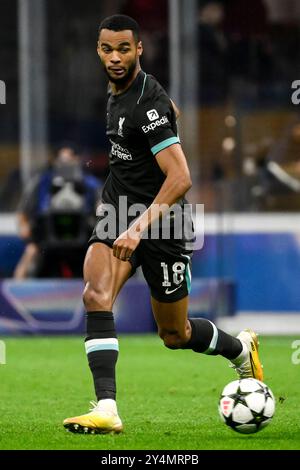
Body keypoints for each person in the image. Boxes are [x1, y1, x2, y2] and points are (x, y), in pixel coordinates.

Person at [63, 15, 263, 434]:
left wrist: (139, 229)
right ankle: (107, 408)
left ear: (139, 50)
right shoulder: (119, 90)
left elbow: (181, 178)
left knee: (174, 333)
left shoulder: (146, 102)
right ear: (98, 50)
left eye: (123, 49)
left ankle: (240, 348)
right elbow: (166, 115)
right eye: (106, 49)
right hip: (117, 213)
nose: (114, 57)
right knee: (96, 295)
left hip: (164, 224)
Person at [14, 143, 101, 279]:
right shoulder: (41, 181)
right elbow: (23, 211)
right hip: (47, 238)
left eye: (69, 159)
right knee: (30, 253)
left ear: (77, 159)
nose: (65, 164)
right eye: (61, 160)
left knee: (100, 256)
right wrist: (26, 229)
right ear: (54, 161)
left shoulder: (90, 183)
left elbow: (101, 208)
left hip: (83, 237)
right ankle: (17, 294)